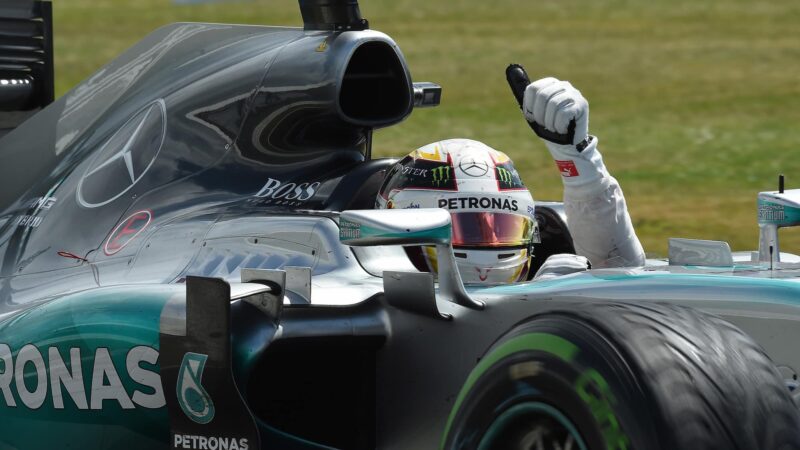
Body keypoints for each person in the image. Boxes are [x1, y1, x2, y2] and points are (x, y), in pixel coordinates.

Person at [375, 77, 645, 284]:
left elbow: (625, 278)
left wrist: (580, 166)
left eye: (503, 228)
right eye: (464, 228)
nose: (488, 242)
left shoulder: (551, 279)